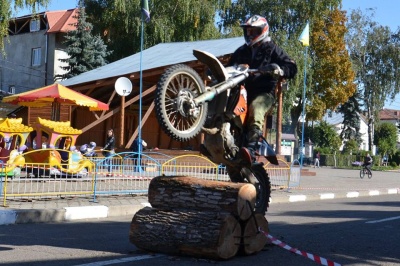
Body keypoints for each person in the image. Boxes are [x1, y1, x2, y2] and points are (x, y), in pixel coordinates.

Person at [228, 15, 297, 163]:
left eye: (254, 31)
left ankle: (251, 148)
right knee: (226, 104)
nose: (250, 34)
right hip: (243, 91)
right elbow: (228, 66)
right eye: (248, 31)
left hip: (264, 93)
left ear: (263, 31)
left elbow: (292, 66)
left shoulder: (272, 49)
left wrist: (280, 70)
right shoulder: (241, 51)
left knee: (256, 108)